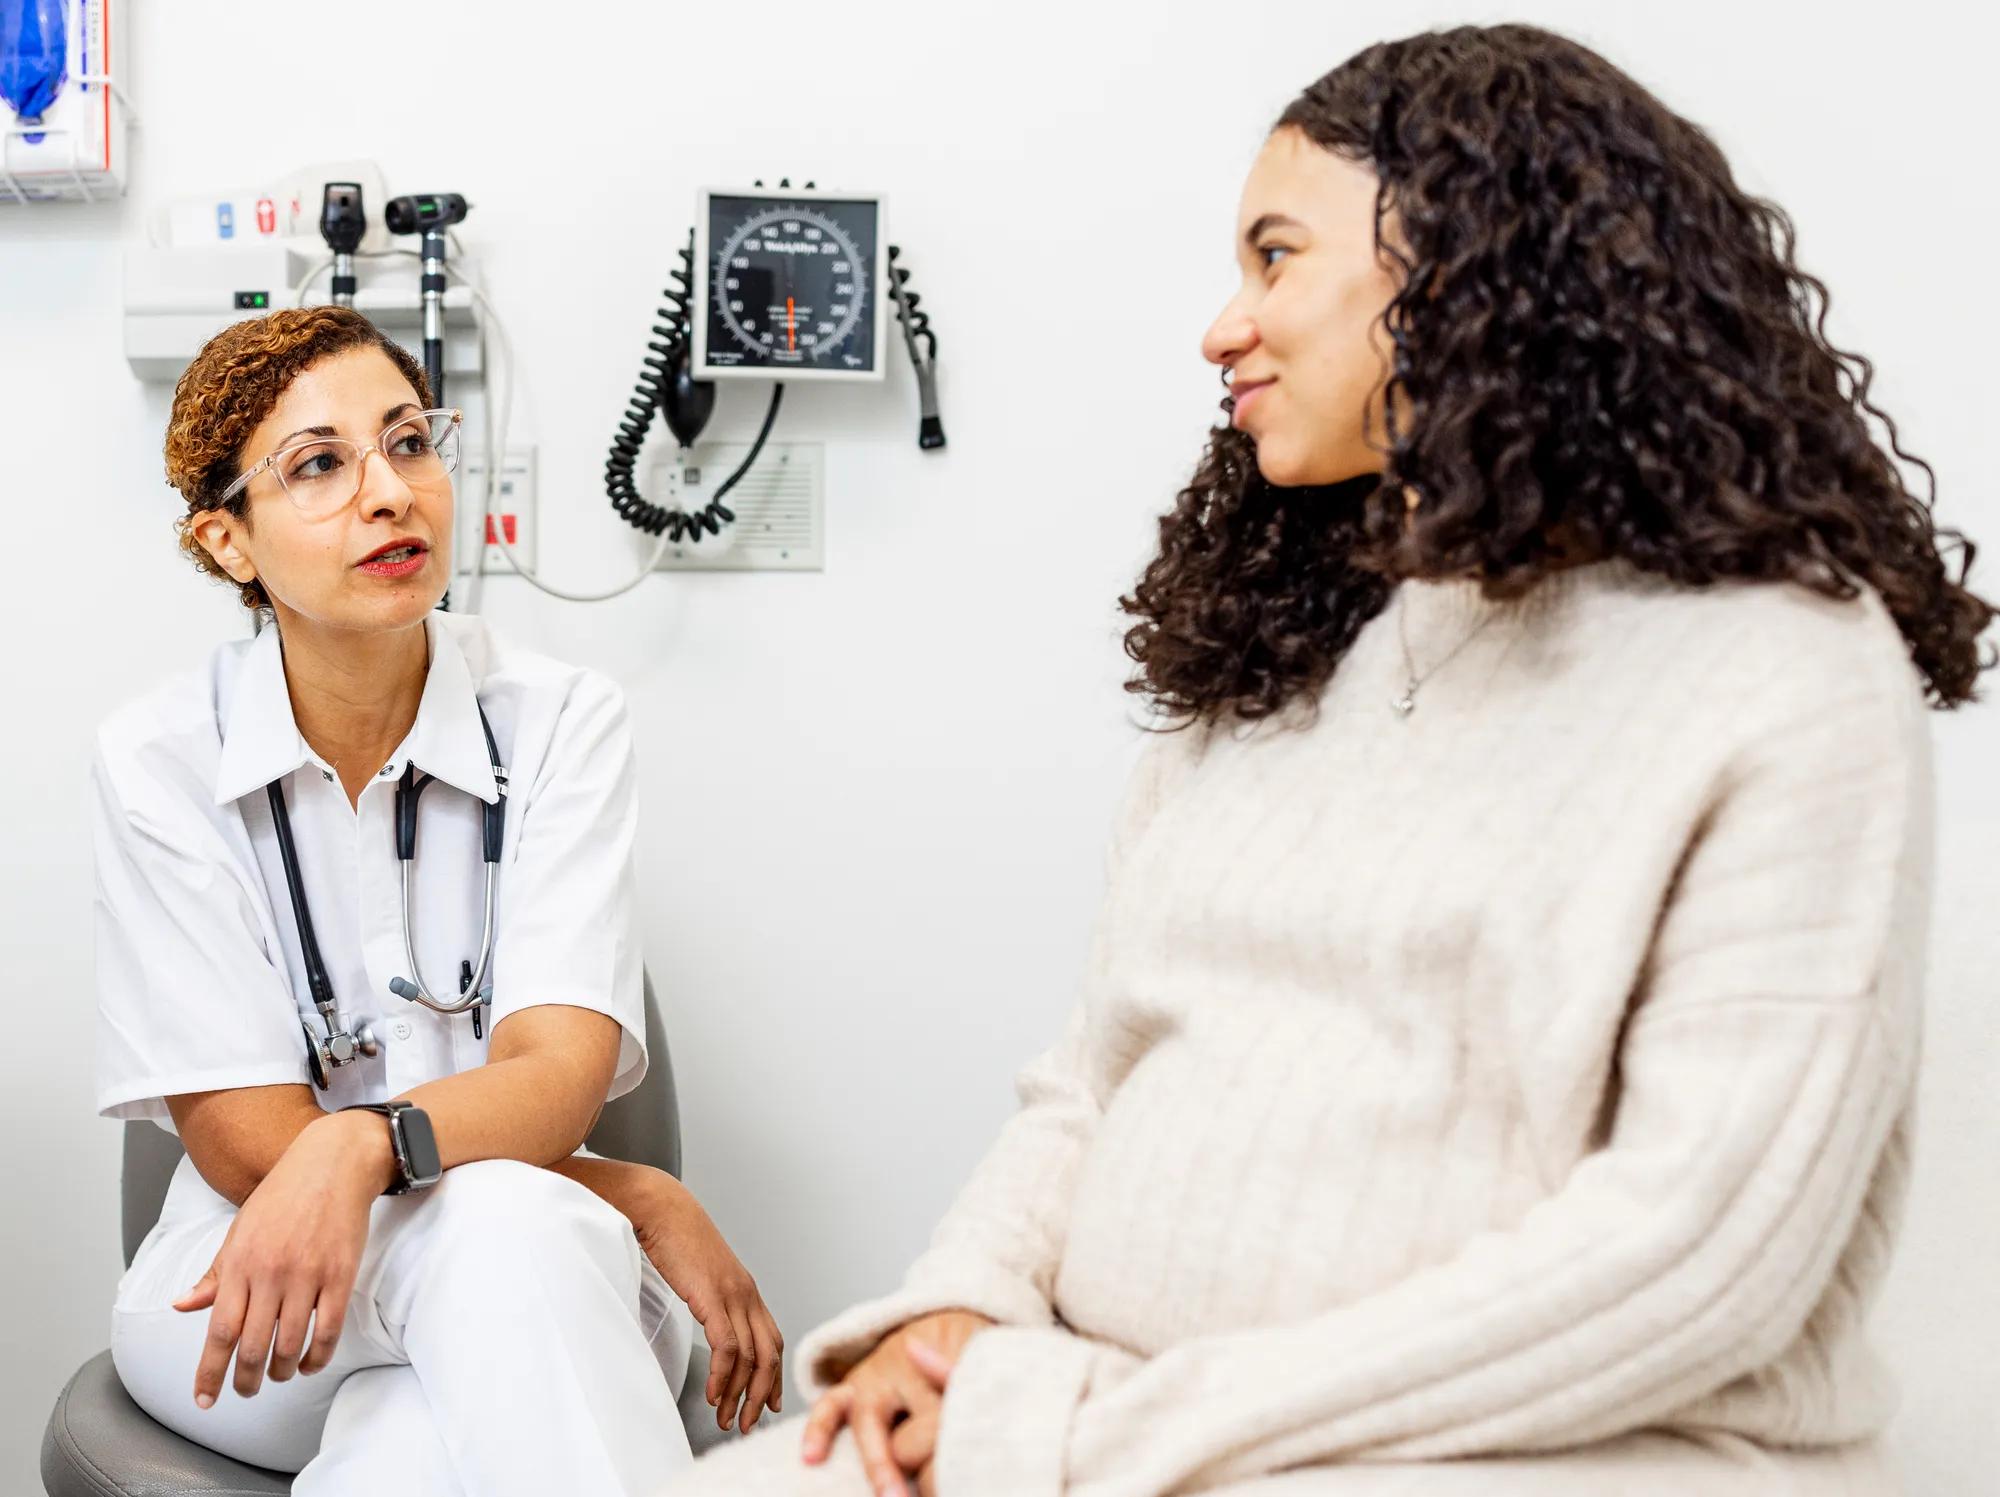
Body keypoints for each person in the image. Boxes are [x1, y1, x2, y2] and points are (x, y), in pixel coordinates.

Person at [668, 22, 1992, 1497]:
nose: (1221, 326)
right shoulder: (1284, 649)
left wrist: (1084, 1433)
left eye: (1274, 257)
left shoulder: (1784, 672)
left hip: (1540, 1451)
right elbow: (1092, 1086)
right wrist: (959, 1315)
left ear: (1464, 262)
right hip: (1133, 1416)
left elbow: (1700, 1255)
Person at [95, 306, 784, 1495]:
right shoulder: (158, 757)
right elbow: (244, 1137)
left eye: (409, 442)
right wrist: (621, 1184)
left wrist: (365, 1142)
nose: (390, 492)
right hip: (245, 1285)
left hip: (544, 1267)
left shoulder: (561, 720)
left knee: (418, 1442)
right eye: (318, 465)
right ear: (228, 543)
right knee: (513, 1228)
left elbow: (558, 1072)